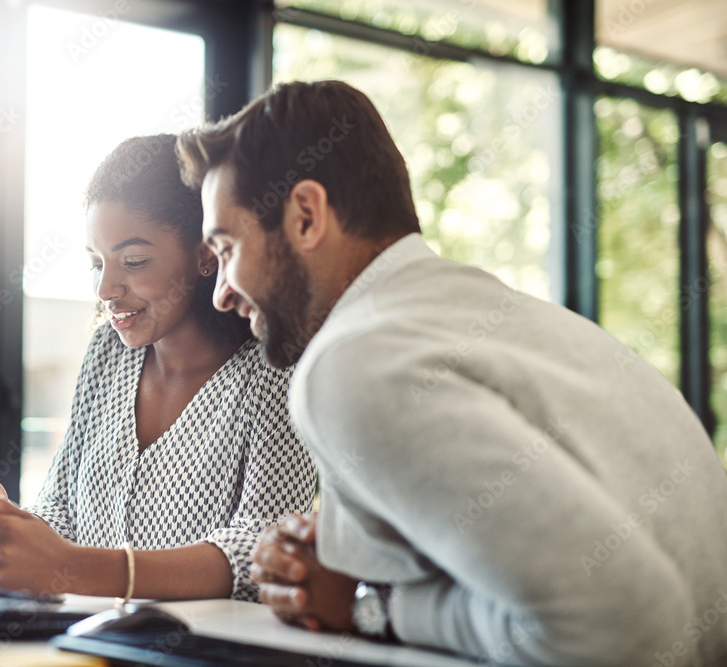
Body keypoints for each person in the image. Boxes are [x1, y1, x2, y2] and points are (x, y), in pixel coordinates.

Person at [176, 80, 727, 665]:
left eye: (227, 248)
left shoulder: (355, 362)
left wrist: (373, 609)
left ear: (307, 216)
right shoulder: (507, 322)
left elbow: (627, 627)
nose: (222, 295)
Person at [0, 134, 316, 602]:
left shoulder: (274, 367)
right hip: (90, 639)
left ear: (205, 253)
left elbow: (264, 552)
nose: (106, 288)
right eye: (96, 264)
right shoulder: (107, 352)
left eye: (133, 261)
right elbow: (64, 517)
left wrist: (75, 568)